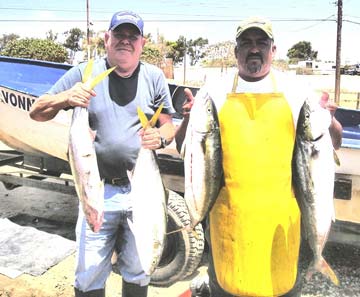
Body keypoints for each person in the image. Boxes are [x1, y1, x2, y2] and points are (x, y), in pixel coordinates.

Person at [176, 16, 343, 297]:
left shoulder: (298, 91)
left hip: (280, 225)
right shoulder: (212, 91)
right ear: (236, 50)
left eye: (261, 43)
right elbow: (186, 147)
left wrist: (333, 123)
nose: (254, 49)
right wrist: (186, 121)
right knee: (226, 288)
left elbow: (332, 143)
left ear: (273, 50)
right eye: (246, 43)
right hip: (229, 223)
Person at [29, 10, 175, 297]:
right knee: (90, 272)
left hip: (141, 191)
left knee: (139, 266)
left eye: (132, 36)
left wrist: (159, 136)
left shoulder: (154, 77)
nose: (125, 41)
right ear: (107, 38)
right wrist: (65, 97)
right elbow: (36, 112)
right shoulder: (82, 73)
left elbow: (168, 126)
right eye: (119, 34)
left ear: (142, 43)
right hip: (97, 192)